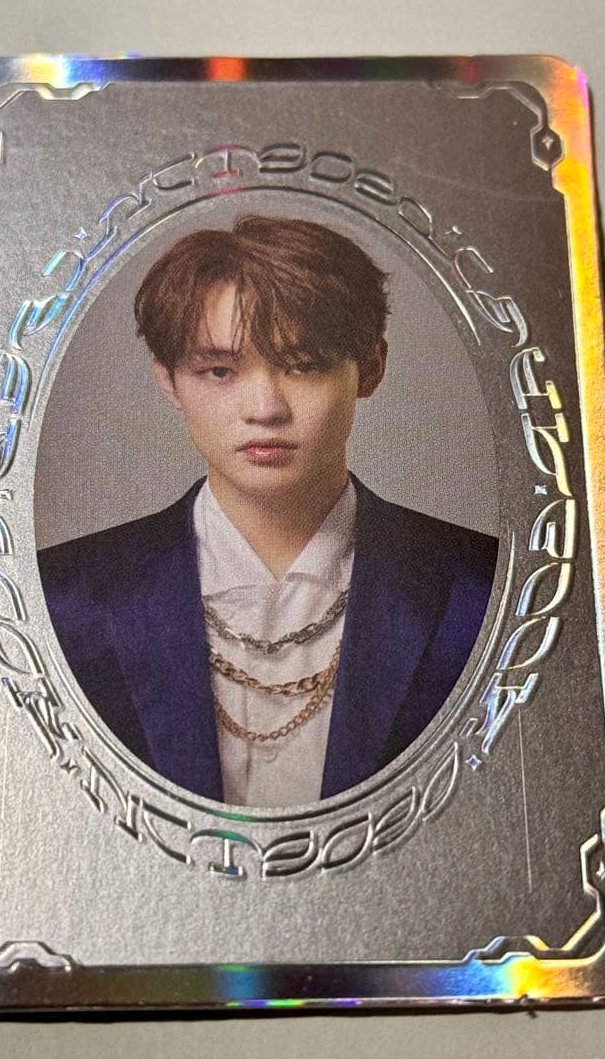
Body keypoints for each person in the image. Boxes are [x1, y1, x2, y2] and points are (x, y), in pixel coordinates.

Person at [38, 216, 498, 808]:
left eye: (303, 365)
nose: (265, 408)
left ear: (371, 367)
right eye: (220, 371)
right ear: (169, 381)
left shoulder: (482, 588)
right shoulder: (63, 597)